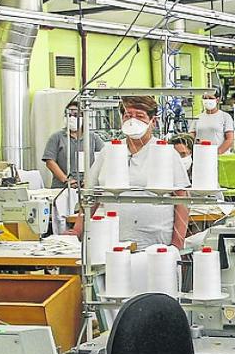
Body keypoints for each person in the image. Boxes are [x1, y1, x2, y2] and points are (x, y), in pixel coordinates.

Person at [84, 95, 190, 249]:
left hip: (156, 243)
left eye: (140, 116)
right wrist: (77, 234)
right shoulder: (109, 151)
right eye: (128, 116)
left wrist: (177, 244)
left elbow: (182, 200)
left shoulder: (165, 152)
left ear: (153, 121)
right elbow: (90, 197)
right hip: (112, 240)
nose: (132, 121)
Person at [42, 101, 104, 188]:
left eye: (75, 115)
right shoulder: (57, 137)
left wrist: (91, 180)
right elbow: (50, 162)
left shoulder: (93, 138)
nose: (72, 118)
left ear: (84, 117)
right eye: (69, 115)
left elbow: (102, 159)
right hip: (62, 188)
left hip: (87, 187)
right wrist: (66, 180)